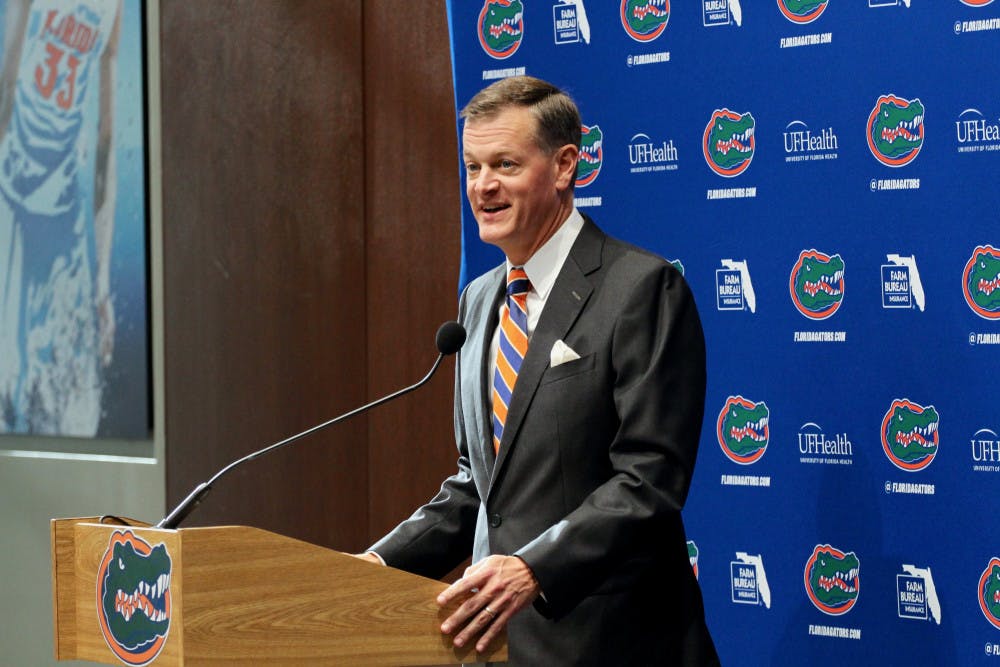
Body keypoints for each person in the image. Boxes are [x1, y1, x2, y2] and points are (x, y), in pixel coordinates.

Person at [359, 76, 718, 665]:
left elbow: (649, 478)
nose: (483, 186)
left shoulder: (641, 289)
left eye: (503, 164)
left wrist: (534, 567)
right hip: (495, 644)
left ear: (564, 166)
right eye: (472, 168)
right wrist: (373, 566)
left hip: (612, 643)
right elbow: (480, 486)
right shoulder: (478, 300)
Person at [0, 0, 121, 436]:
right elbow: (6, 86)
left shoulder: (116, 8)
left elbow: (106, 144)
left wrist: (102, 281)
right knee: (9, 392)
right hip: (12, 203)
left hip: (64, 216)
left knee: (76, 411)